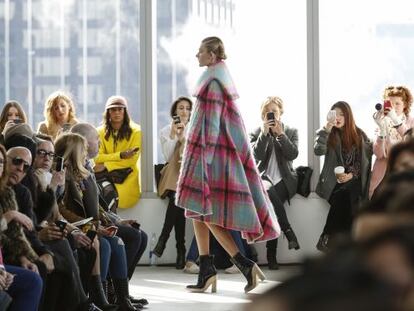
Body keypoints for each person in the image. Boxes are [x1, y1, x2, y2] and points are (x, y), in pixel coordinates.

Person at [176, 36, 280, 294]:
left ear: (212, 56)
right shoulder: (216, 78)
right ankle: (207, 270)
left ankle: (243, 265)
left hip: (209, 156)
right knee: (195, 211)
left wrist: (203, 160)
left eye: (200, 51)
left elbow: (210, 125)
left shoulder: (213, 83)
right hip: (209, 153)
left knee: (204, 213)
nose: (196, 54)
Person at [55, 133, 141, 311]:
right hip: (78, 225)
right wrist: (94, 226)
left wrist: (112, 221)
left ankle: (120, 296)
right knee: (107, 245)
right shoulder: (64, 176)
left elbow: (99, 207)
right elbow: (61, 210)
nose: (86, 153)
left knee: (118, 240)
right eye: (83, 150)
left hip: (88, 224)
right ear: (75, 152)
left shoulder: (83, 174)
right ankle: (98, 296)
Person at [250, 96, 300, 270]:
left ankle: (273, 253)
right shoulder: (257, 133)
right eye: (267, 112)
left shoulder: (291, 131)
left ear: (281, 113)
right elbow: (256, 156)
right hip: (264, 180)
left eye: (275, 112)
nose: (271, 115)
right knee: (269, 194)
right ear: (263, 115)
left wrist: (280, 135)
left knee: (271, 202)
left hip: (285, 181)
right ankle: (287, 231)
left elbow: (293, 155)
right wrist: (264, 134)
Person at [314, 101, 372, 252]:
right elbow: (318, 150)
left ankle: (326, 237)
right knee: (347, 204)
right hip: (335, 183)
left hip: (354, 182)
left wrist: (351, 175)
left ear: (348, 116)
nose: (338, 118)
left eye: (341, 114)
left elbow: (364, 163)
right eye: (334, 114)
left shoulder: (360, 135)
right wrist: (326, 129)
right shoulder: (328, 133)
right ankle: (348, 251)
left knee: (347, 197)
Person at [0, 144, 43, 311]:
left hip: (5, 254)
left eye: (2, 162)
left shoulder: (10, 193)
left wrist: (23, 257)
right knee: (33, 280)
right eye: (17, 162)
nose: (20, 169)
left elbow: (19, 233)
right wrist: (10, 215)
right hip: (5, 254)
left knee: (38, 269)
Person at [153, 96, 193, 269]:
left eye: (187, 108)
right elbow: (168, 156)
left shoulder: (195, 130)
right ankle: (180, 251)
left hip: (191, 175)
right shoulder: (164, 131)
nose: (184, 111)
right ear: (174, 112)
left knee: (177, 198)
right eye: (180, 108)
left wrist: (184, 136)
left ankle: (164, 239)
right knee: (178, 198)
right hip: (173, 178)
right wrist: (175, 135)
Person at [94, 96, 141, 209]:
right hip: (104, 176)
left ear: (125, 111)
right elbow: (97, 158)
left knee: (108, 196)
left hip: (127, 176)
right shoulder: (99, 131)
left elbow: (131, 161)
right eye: (113, 109)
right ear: (108, 112)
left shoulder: (136, 131)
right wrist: (120, 155)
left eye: (120, 109)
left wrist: (105, 165)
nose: (117, 112)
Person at [369, 85, 414, 198]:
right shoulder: (382, 123)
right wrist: (382, 130)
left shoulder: (411, 122)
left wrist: (396, 120)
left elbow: (410, 143)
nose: (393, 107)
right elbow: (379, 154)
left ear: (405, 105)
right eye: (390, 103)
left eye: (397, 103)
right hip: (382, 178)